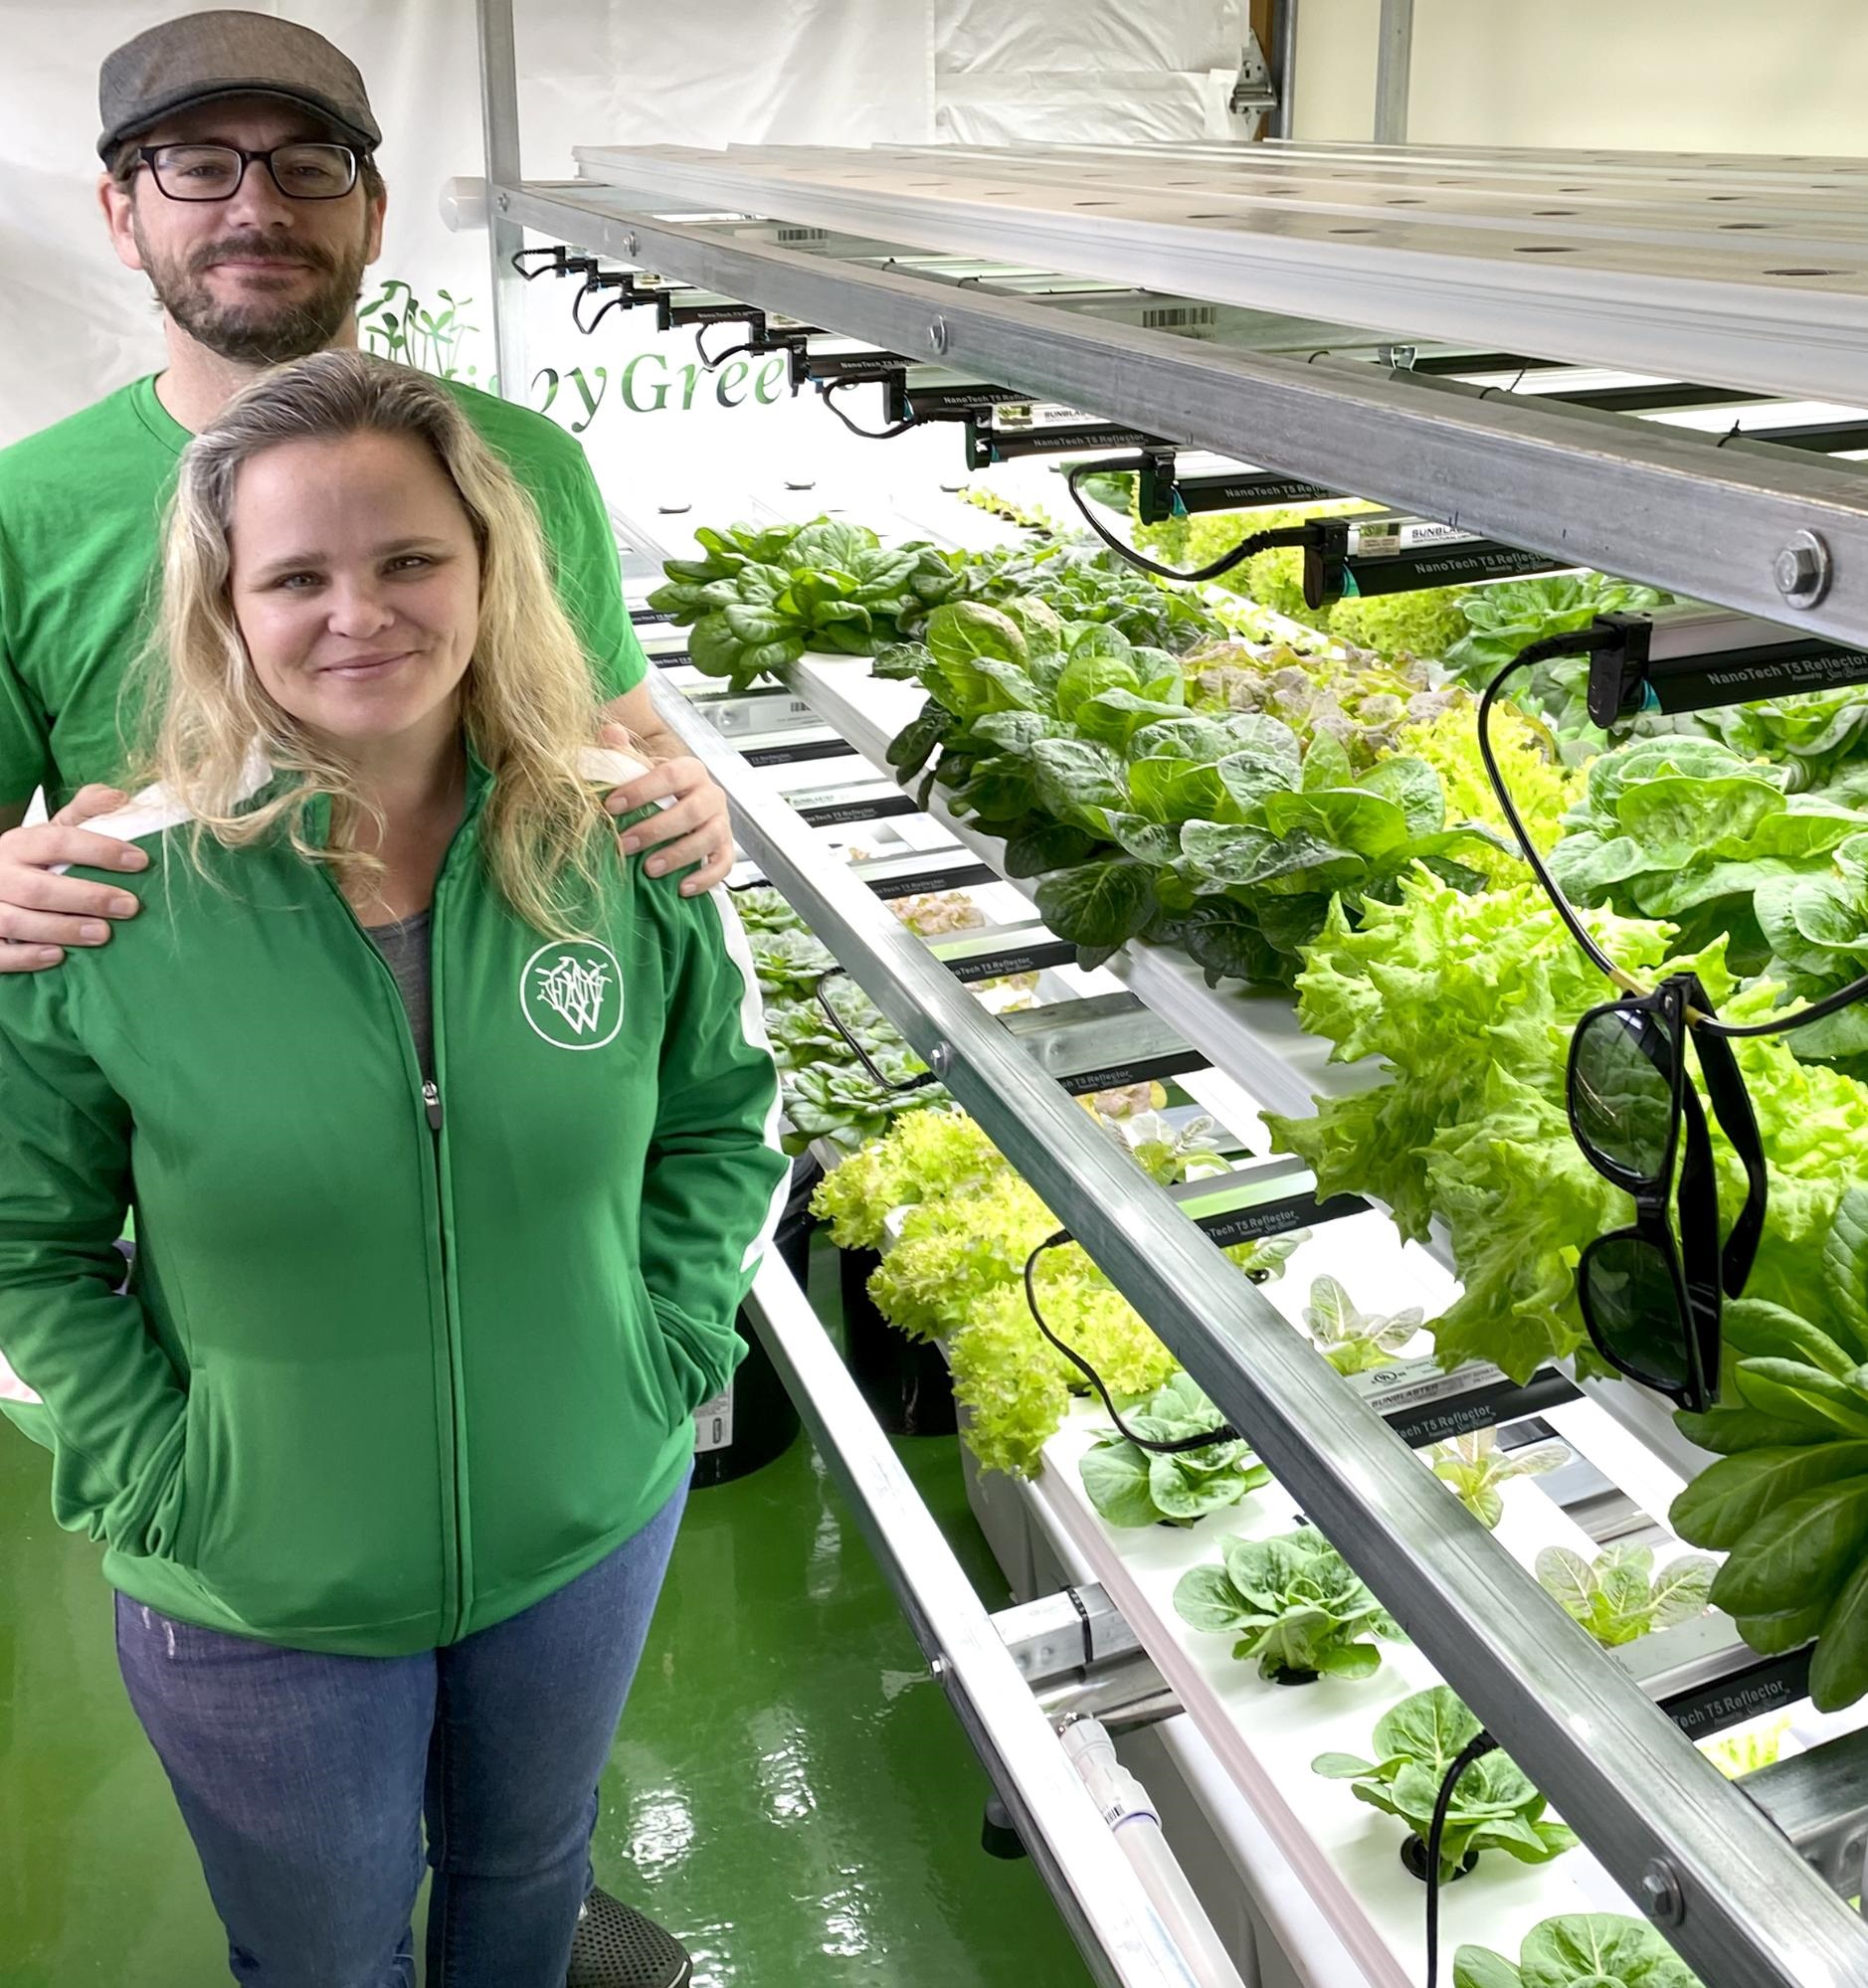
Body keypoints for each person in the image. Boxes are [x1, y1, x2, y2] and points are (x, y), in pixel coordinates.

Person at [0, 347, 788, 1988]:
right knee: (323, 1951)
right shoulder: (113, 897)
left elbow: (721, 1121)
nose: (357, 609)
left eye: (410, 557)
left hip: (585, 1520)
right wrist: (166, 1466)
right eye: (296, 574)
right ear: (224, 609)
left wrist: (662, 1353)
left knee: (526, 1871)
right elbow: (29, 1239)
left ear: (492, 570)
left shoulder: (618, 842)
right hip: (258, 1580)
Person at [0, 8, 733, 981]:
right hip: (190, 1066)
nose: (257, 209)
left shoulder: (525, 463)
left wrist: (682, 790)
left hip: (525, 1027)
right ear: (121, 215)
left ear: (374, 214)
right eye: (199, 166)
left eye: (308, 165)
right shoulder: (24, 507)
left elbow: (619, 723)